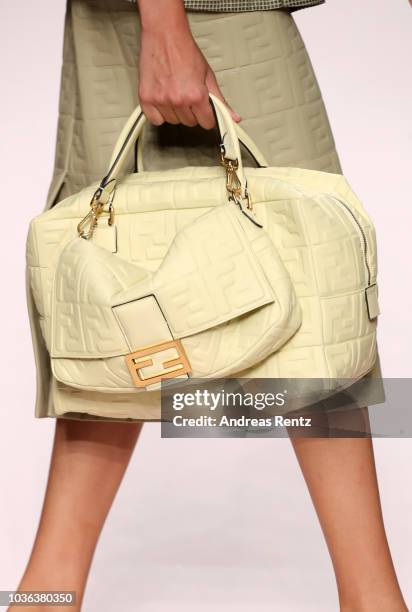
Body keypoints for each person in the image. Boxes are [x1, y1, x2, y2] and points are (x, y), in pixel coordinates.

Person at [13, 0, 408, 610]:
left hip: (138, 14)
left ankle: (41, 601)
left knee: (116, 323)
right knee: (313, 295)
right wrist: (166, 26)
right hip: (201, 11)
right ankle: (374, 602)